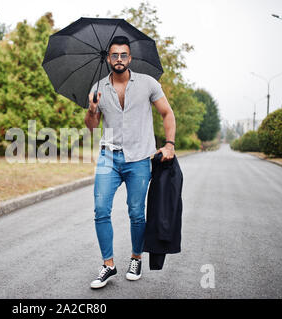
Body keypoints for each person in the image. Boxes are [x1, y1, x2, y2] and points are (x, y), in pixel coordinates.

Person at [84, 35, 176, 289]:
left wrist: (169, 144)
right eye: (115, 55)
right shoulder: (98, 87)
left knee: (136, 212)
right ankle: (108, 265)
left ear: (130, 58)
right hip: (108, 157)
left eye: (124, 55)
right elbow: (91, 127)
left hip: (138, 159)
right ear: (108, 59)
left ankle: (136, 258)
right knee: (101, 210)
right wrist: (92, 110)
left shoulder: (147, 83)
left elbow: (167, 113)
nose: (119, 59)